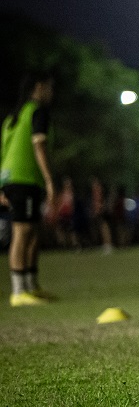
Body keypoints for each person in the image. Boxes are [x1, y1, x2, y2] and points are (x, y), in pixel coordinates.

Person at [0, 72, 57, 306]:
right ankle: (18, 291)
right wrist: (50, 180)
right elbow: (39, 146)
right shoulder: (37, 111)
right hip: (24, 180)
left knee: (33, 232)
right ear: (39, 87)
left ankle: (31, 286)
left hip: (13, 180)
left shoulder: (12, 118)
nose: (51, 93)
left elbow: (4, 153)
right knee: (22, 233)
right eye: (49, 88)